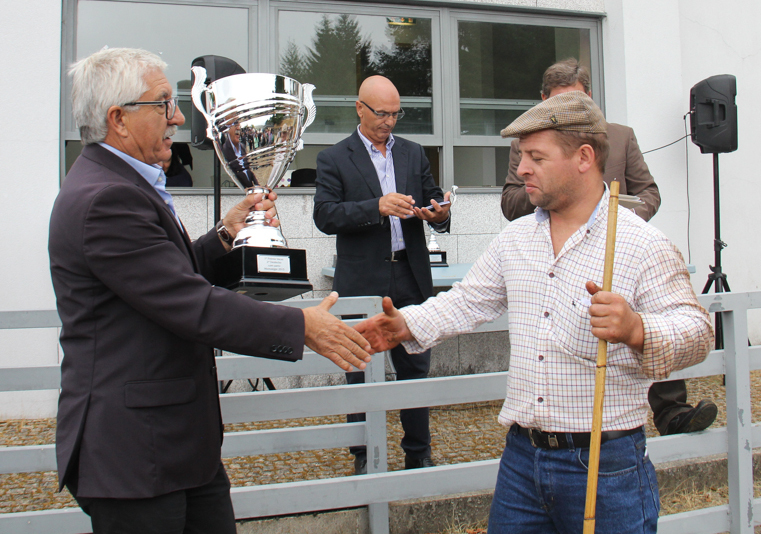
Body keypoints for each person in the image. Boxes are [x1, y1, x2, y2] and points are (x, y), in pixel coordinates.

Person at [356, 91, 714, 533]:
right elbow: (469, 300)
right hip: (521, 462)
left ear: (583, 157)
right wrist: (406, 324)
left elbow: (698, 332)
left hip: (606, 466)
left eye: (535, 157)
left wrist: (638, 330)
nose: (521, 168)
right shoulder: (517, 239)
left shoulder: (641, 244)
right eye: (522, 155)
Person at [49, 47, 372, 534]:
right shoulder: (105, 199)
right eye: (162, 104)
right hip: (137, 457)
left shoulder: (119, 184)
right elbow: (187, 303)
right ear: (118, 119)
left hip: (174, 447)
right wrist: (300, 326)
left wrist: (225, 236)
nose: (178, 117)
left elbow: (164, 280)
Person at [501, 58, 716, 437]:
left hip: (617, 253)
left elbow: (649, 191)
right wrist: (558, 195)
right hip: (562, 255)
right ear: (542, 101)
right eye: (558, 105)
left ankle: (672, 412)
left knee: (641, 324)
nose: (570, 115)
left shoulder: (620, 135)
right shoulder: (529, 143)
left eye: (579, 103)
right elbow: (510, 201)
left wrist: (618, 220)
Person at [313, 75, 452, 475]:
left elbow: (433, 198)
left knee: (415, 366)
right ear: (359, 108)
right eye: (382, 113)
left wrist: (439, 213)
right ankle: (362, 456)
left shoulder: (412, 152)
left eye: (395, 114)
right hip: (361, 281)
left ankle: (418, 452)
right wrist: (377, 206)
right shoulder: (334, 158)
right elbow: (325, 216)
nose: (389, 122)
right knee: (358, 369)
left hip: (409, 274)